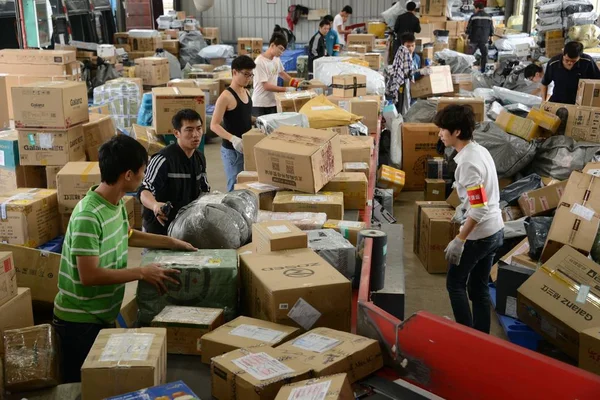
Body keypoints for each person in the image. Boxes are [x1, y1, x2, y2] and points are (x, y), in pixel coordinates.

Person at [52, 135, 197, 383]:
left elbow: (127, 234)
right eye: (142, 172)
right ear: (128, 175)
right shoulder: (88, 215)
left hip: (102, 313)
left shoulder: (116, 202)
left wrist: (172, 241)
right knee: (82, 388)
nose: (143, 179)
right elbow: (89, 276)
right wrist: (141, 272)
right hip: (79, 322)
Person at [434, 105, 504, 334]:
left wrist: (460, 239)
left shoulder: (467, 163)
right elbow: (479, 197)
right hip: (495, 230)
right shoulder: (479, 150)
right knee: (478, 288)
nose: (440, 134)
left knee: (455, 284)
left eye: (442, 129)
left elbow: (480, 208)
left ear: (456, 132)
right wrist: (464, 206)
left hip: (479, 235)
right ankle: (481, 336)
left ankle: (466, 335)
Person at [139, 109, 210, 235]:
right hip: (159, 230)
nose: (196, 134)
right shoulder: (162, 159)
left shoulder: (199, 158)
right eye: (189, 130)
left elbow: (204, 188)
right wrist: (155, 205)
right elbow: (144, 190)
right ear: (176, 133)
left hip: (185, 227)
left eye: (199, 128)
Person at [211, 55, 256, 192]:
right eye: (246, 74)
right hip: (232, 151)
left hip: (246, 147)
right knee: (234, 187)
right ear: (234, 72)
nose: (248, 78)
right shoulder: (225, 97)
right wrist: (232, 138)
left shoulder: (246, 92)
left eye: (251, 75)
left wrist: (258, 121)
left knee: (247, 185)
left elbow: (243, 116)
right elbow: (214, 125)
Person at [252, 33, 305, 117]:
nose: (281, 52)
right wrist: (286, 89)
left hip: (273, 101)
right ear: (272, 45)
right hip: (260, 104)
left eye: (283, 50)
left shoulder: (276, 59)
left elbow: (282, 74)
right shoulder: (259, 62)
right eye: (280, 49)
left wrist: (296, 83)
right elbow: (265, 86)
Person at [466, 2, 494, 73]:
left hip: (474, 39)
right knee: (484, 55)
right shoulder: (489, 17)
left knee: (469, 56)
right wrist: (491, 38)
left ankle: (467, 70)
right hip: (484, 39)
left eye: (475, 9)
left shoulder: (473, 16)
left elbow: (469, 28)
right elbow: (491, 28)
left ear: (477, 8)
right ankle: (484, 71)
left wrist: (467, 38)